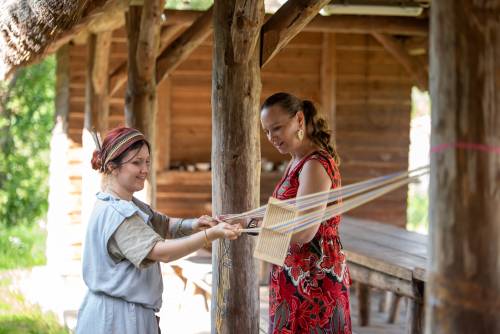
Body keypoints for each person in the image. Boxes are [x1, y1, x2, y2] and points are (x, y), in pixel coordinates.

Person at [75, 126, 240, 334]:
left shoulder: (126, 204)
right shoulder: (118, 213)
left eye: (147, 162)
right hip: (117, 320)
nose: (145, 169)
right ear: (112, 167)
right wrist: (210, 235)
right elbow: (163, 252)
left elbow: (165, 224)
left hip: (119, 313)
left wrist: (195, 224)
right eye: (136, 162)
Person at [247, 92, 352, 333]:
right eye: (266, 131)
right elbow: (283, 214)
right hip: (292, 274)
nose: (272, 137)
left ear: (300, 120)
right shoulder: (296, 160)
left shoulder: (315, 164)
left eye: (278, 128)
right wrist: (241, 219)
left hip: (313, 279)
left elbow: (304, 230)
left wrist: (250, 227)